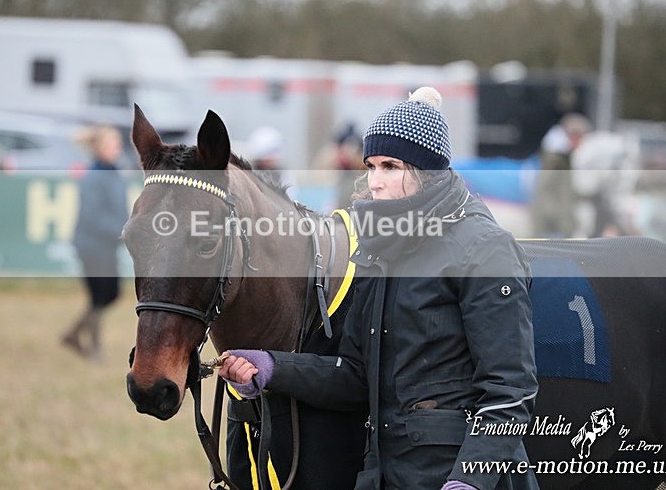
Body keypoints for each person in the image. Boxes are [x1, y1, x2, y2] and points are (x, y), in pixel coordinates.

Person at [219, 87, 539, 489]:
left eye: (390, 166)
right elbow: (354, 375)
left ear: (426, 172)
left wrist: (468, 481)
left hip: (454, 477)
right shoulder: (377, 248)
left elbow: (510, 391)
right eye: (370, 166)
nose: (375, 182)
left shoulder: (484, 248)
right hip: (384, 475)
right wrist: (271, 366)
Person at [61, 125, 128, 362]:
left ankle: (73, 335)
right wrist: (119, 231)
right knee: (101, 296)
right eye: (112, 144)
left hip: (106, 245)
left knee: (108, 295)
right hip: (92, 245)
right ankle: (94, 346)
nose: (117, 149)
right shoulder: (93, 176)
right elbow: (93, 216)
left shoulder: (113, 173)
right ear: (99, 148)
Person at [531, 112, 592, 238]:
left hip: (556, 223)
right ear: (573, 136)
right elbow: (546, 190)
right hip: (553, 225)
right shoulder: (555, 159)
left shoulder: (561, 157)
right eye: (581, 137)